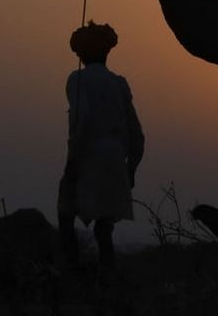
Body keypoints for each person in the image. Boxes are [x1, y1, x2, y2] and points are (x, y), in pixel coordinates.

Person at [58, 21, 144, 269]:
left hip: (87, 158)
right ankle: (107, 280)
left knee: (65, 215)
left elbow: (80, 118)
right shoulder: (119, 84)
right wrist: (131, 169)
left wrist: (72, 162)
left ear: (81, 53)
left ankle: (72, 275)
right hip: (116, 161)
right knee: (105, 228)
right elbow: (137, 133)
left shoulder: (77, 80)